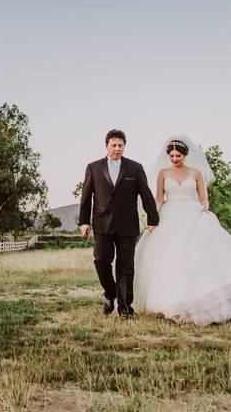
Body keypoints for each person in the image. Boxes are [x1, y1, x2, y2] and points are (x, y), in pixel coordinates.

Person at [133, 135, 231, 325]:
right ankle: (168, 302)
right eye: (172, 156)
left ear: (185, 155)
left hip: (193, 214)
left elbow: (203, 197)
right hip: (169, 216)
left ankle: (208, 301)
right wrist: (153, 219)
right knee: (170, 258)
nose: (174, 159)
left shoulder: (196, 173)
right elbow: (158, 199)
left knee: (200, 257)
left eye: (178, 156)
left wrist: (205, 208)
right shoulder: (163, 173)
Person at [79, 129, 159, 319]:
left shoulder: (135, 168)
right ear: (106, 146)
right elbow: (86, 196)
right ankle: (110, 293)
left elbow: (146, 195)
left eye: (120, 145)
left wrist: (152, 218)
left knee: (125, 267)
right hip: (102, 224)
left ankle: (125, 308)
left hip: (127, 225)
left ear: (124, 147)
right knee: (100, 260)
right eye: (113, 145)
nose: (117, 148)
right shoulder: (93, 167)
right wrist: (84, 221)